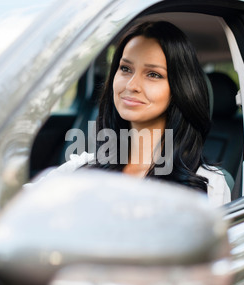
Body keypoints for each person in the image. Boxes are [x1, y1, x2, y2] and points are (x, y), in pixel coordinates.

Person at [29, 21, 231, 207]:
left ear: (179, 89)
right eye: (125, 68)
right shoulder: (81, 167)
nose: (131, 85)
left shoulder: (209, 185)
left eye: (153, 74)